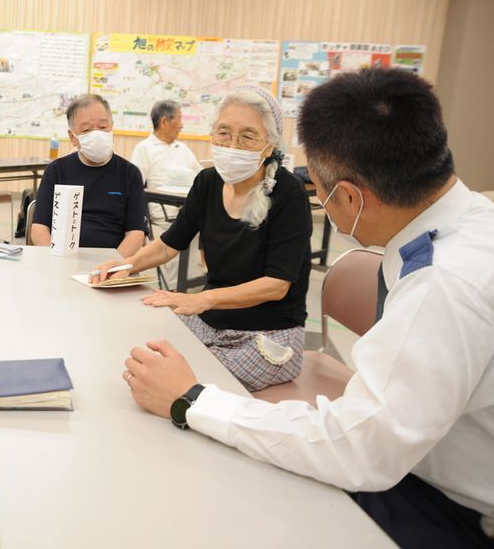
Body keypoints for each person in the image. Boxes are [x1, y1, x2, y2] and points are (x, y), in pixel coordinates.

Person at [122, 68, 494, 548]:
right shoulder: (471, 223)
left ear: (350, 198)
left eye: (319, 189)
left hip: (451, 505)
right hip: (422, 451)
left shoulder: (441, 285)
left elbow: (361, 449)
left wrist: (191, 400)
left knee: (244, 498)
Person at [97, 86, 312, 392]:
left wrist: (200, 299)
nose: (233, 145)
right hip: (211, 323)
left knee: (184, 383)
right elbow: (170, 243)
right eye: (223, 133)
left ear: (270, 146)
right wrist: (125, 266)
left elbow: (277, 285)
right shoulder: (208, 181)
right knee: (138, 359)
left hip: (267, 336)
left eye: (248, 136)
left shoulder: (287, 193)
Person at [30, 94, 147, 258]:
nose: (96, 134)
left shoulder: (130, 174)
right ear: (73, 137)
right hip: (62, 260)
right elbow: (39, 229)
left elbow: (136, 233)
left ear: (112, 128)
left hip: (113, 261)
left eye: (103, 127)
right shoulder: (57, 171)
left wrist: (113, 265)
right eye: (86, 130)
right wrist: (56, 261)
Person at [130, 100, 203, 287]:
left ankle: (191, 288)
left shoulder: (183, 149)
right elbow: (135, 187)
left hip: (189, 213)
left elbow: (201, 175)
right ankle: (171, 290)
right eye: (179, 119)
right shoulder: (144, 149)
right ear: (164, 121)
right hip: (162, 215)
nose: (182, 125)